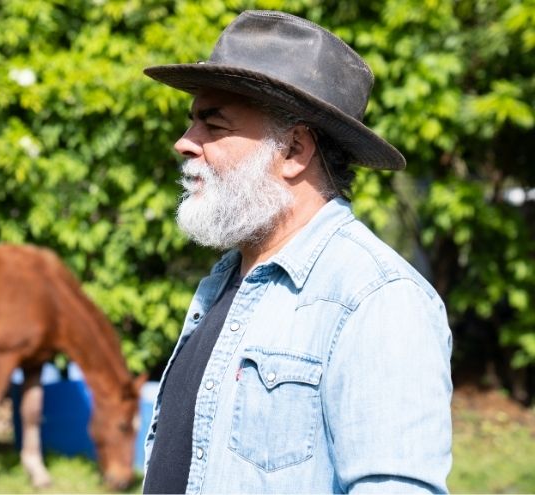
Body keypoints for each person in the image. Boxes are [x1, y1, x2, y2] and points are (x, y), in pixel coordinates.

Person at [140, 10, 453, 494]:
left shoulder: (377, 299)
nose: (185, 143)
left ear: (293, 151)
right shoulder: (226, 283)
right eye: (192, 122)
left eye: (213, 125)